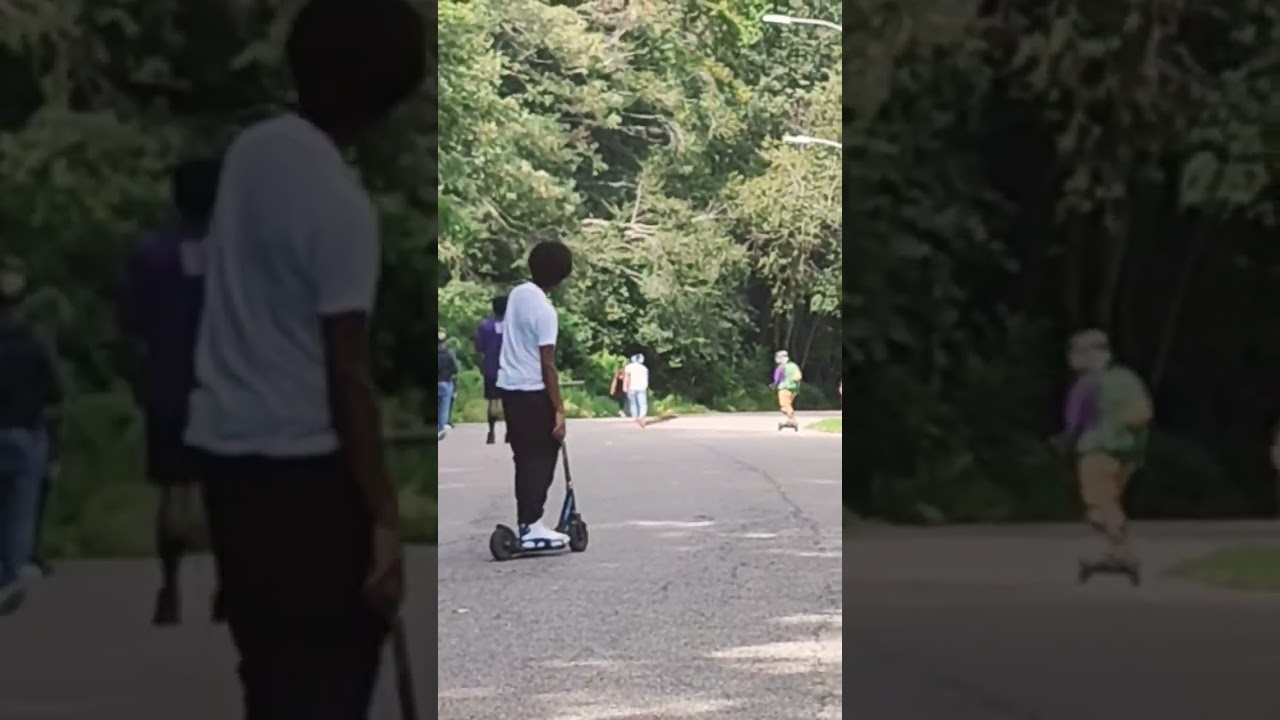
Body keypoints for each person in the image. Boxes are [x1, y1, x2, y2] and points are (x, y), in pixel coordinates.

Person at [183, 1, 425, 717]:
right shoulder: (343, 207)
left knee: (268, 669)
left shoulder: (251, 152)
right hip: (307, 469)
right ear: (389, 97)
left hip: (228, 459)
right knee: (330, 673)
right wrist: (383, 514)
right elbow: (346, 372)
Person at [119, 157, 226, 626]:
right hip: (224, 386)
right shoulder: (234, 252)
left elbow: (131, 321)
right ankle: (225, 588)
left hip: (166, 383)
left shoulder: (151, 252)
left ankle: (170, 587)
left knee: (173, 491)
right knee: (223, 490)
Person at [497, 241, 574, 550]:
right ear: (561, 277)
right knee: (541, 458)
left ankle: (527, 521)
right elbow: (547, 364)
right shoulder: (545, 311)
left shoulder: (518, 294)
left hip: (510, 389)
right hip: (533, 391)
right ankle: (531, 526)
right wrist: (558, 409)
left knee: (524, 458)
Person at [1062, 330, 1152, 573]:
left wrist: (1113, 428)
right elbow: (1141, 414)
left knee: (1100, 505)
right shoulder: (1123, 379)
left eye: (1076, 352)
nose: (1071, 358)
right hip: (1124, 454)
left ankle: (1124, 552)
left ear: (1092, 354)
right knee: (1106, 504)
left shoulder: (1097, 382)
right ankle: (1114, 552)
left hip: (1098, 450)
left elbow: (1074, 423)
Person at [0, 257, 60, 615]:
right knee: (20, 510)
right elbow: (52, 397)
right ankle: (11, 575)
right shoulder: (35, 343)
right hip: (25, 433)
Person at [474, 295, 507, 444]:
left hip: (491, 368)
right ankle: (509, 432)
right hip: (508, 369)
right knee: (509, 401)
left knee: (492, 401)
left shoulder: (485, 326)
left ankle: (491, 432)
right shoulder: (512, 325)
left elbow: (479, 347)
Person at [772, 350, 803, 429]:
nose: (776, 359)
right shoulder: (793, 365)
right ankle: (790, 420)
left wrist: (775, 385)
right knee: (787, 405)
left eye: (778, 357)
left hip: (784, 388)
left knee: (784, 406)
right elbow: (798, 376)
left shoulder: (783, 367)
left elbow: (777, 379)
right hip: (793, 390)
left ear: (782, 358)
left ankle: (792, 420)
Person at [438, 330, 457, 441]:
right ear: (444, 341)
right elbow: (454, 370)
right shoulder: (449, 353)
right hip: (445, 382)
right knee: (444, 407)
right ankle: (440, 429)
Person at [623, 354, 650, 427]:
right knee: (643, 404)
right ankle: (642, 417)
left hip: (632, 387)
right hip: (642, 388)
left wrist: (625, 386)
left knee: (633, 403)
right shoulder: (644, 368)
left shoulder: (629, 367)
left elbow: (626, 377)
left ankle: (636, 417)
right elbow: (646, 380)